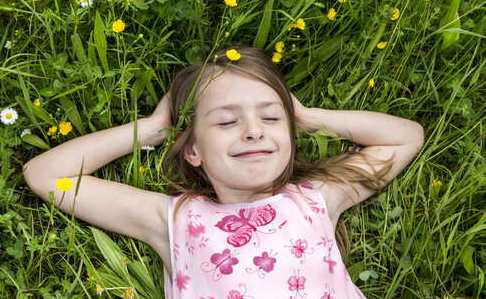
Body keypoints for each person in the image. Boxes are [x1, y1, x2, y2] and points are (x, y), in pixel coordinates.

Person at [24, 47, 424, 298]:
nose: (254, 130)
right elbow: (46, 175)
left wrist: (309, 116)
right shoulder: (176, 220)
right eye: (226, 122)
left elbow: (406, 139)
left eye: (270, 116)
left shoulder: (317, 198)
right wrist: (149, 129)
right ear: (193, 150)